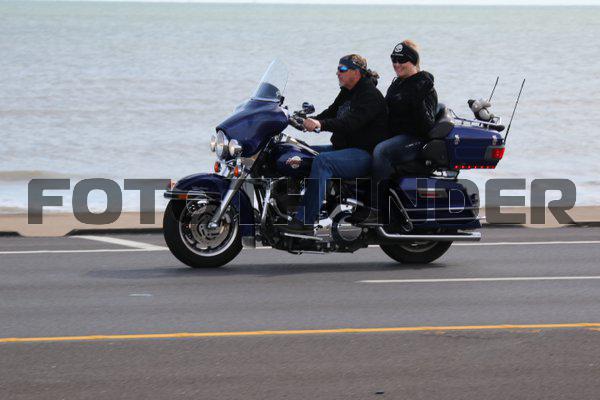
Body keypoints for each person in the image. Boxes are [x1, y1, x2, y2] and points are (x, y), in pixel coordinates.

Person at [282, 54, 389, 234]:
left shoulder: (370, 95)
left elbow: (350, 123)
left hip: (364, 154)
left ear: (356, 72)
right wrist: (304, 120)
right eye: (338, 69)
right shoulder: (348, 91)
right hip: (344, 149)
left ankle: (305, 220)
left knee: (323, 161)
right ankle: (288, 207)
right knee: (298, 151)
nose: (337, 73)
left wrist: (320, 124)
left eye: (342, 69)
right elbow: (331, 113)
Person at [350, 40, 438, 225]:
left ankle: (377, 209)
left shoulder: (424, 84)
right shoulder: (398, 83)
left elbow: (427, 126)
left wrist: (418, 99)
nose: (397, 64)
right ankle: (357, 198)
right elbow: (386, 110)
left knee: (382, 151)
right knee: (364, 143)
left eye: (402, 60)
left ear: (413, 61)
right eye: (394, 60)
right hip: (397, 136)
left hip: (416, 138)